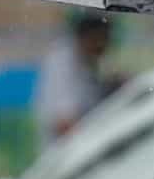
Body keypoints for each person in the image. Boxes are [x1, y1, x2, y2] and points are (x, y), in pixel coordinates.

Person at [33, 12, 111, 145]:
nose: (104, 47)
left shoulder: (87, 64)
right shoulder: (63, 63)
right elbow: (64, 122)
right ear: (88, 36)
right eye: (101, 39)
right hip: (66, 152)